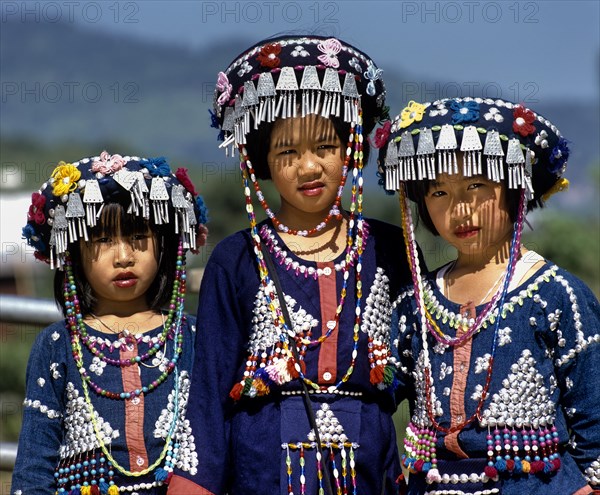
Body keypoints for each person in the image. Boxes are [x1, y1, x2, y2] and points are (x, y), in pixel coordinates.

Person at [167, 35, 416, 495]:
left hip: (371, 470)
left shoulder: (390, 247)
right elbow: (208, 394)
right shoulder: (236, 259)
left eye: (324, 146)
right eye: (287, 152)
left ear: (351, 149)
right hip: (261, 470)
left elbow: (426, 377)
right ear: (260, 161)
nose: (308, 167)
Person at [378, 97, 600, 495]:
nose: (460, 209)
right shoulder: (415, 301)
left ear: (515, 188)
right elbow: (379, 390)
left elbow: (593, 417)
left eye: (476, 186)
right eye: (439, 192)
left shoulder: (557, 294)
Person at [12, 151, 208, 495]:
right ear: (73, 251)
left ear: (163, 246)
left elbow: (218, 444)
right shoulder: (57, 345)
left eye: (138, 238)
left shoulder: (191, 337)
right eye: (103, 240)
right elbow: (34, 465)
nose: (124, 256)